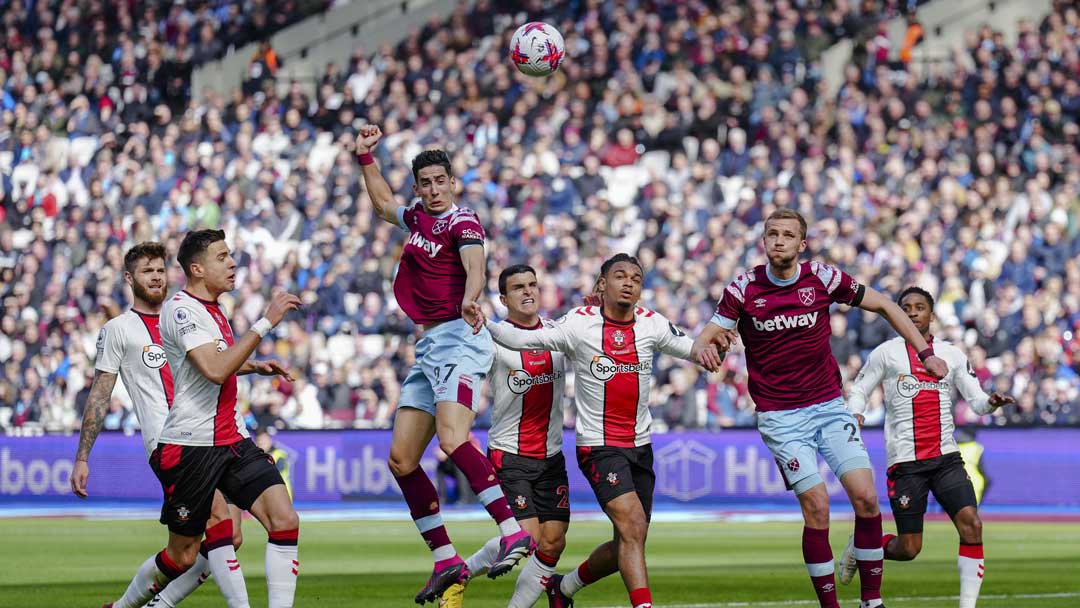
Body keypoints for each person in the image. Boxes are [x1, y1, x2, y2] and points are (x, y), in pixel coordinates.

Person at [691, 209, 950, 608]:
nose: (778, 240)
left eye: (787, 235)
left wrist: (926, 352)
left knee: (866, 499)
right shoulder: (743, 289)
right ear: (764, 241)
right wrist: (707, 348)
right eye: (772, 234)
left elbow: (884, 304)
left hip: (829, 405)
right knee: (818, 507)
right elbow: (704, 337)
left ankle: (871, 602)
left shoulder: (823, 278)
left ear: (801, 244)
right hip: (780, 416)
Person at [355, 124, 533, 606]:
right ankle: (446, 559)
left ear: (453, 183)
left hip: (460, 337)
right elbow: (381, 204)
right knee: (402, 460)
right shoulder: (416, 219)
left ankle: (513, 531)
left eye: (441, 181)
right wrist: (366, 160)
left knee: (454, 440)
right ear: (418, 187)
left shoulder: (463, 222)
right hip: (430, 345)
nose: (434, 190)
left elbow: (475, 264)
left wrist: (472, 300)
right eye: (425, 183)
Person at [486, 253, 718, 608]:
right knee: (632, 524)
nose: (629, 282)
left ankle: (563, 588)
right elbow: (523, 340)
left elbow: (693, 349)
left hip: (641, 446)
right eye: (620, 276)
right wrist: (485, 322)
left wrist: (713, 347)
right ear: (602, 284)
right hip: (599, 446)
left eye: (636, 278)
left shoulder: (651, 323)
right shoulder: (579, 324)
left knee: (630, 538)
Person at [102, 229, 302, 608]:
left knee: (284, 518)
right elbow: (212, 368)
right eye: (222, 257)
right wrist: (265, 322)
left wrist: (254, 366)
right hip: (191, 445)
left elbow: (214, 364)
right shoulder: (181, 309)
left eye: (230, 255)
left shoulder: (214, 309)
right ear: (197, 268)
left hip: (230, 439)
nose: (232, 263)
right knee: (183, 554)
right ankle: (129, 606)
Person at [70, 242, 244, 608]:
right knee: (218, 526)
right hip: (173, 442)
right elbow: (100, 396)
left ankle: (135, 606)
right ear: (130, 279)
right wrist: (82, 457)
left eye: (161, 270)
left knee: (219, 541)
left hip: (215, 433)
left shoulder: (187, 315)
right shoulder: (118, 330)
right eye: (148, 271)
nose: (156, 277)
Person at [843, 286, 1014, 608]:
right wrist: (856, 412)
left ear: (931, 315)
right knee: (909, 549)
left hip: (947, 457)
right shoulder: (886, 353)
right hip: (906, 462)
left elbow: (976, 401)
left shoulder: (951, 354)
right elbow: (860, 388)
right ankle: (862, 547)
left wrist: (991, 403)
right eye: (905, 307)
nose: (911, 312)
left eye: (919, 307)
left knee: (972, 525)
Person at [464, 265, 570, 608]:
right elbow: (469, 383)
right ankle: (461, 573)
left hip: (551, 455)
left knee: (553, 542)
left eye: (532, 285)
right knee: (526, 538)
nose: (528, 292)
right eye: (518, 287)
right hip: (511, 454)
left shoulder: (557, 333)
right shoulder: (492, 339)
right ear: (503, 298)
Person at [255, 429, 293, 500]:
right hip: (265, 496)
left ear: (270, 440)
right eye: (259, 441)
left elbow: (275, 475)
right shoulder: (256, 457)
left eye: (264, 440)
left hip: (281, 494)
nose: (261, 443)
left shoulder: (279, 454)